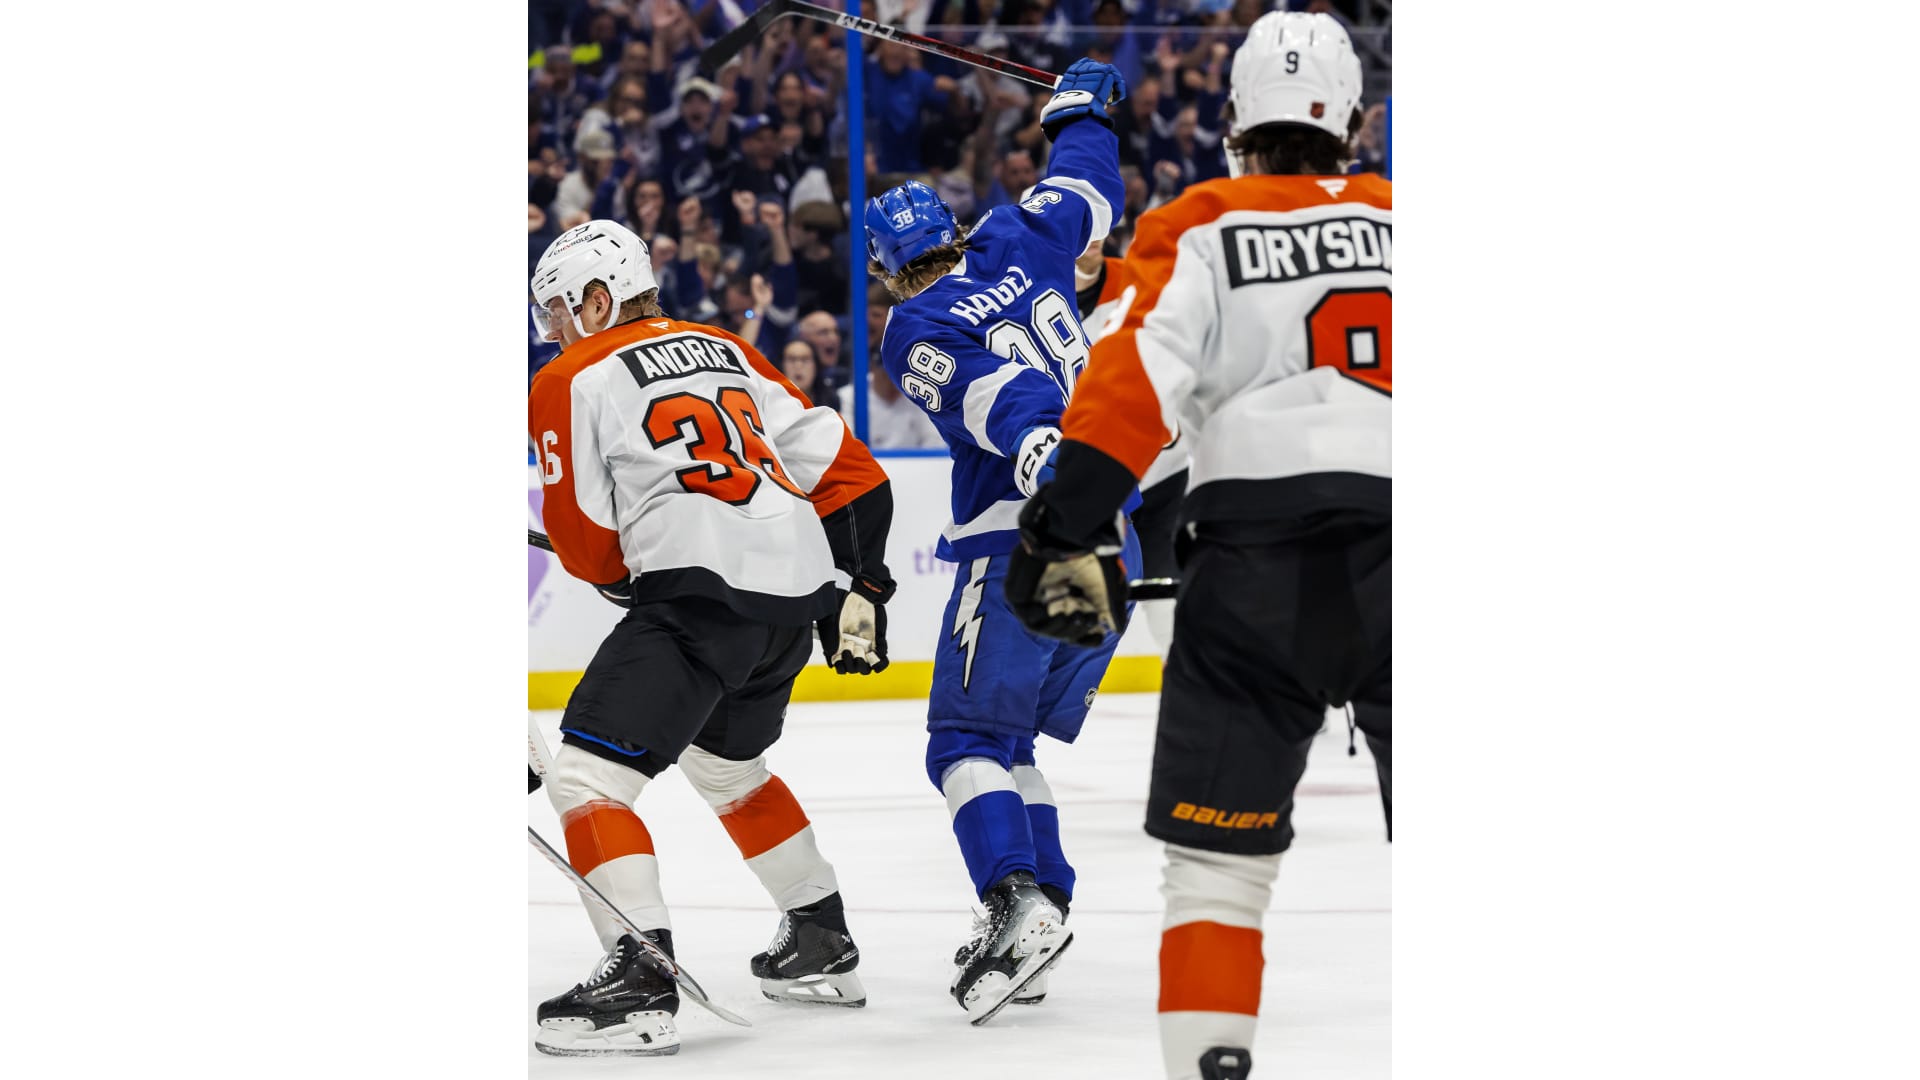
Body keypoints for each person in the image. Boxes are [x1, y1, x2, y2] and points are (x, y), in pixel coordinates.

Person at [1002, 15, 1390, 1080]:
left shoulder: (1201, 223)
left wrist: (1060, 530)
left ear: (1233, 122)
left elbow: (1128, 390)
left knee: (1217, 872)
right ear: (1355, 124)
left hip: (1255, 569)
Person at [527, 220, 898, 1056]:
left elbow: (587, 540)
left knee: (586, 777)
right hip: (790, 602)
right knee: (729, 769)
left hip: (697, 599)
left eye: (557, 308)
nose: (551, 328)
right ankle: (820, 935)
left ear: (596, 300)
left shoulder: (570, 375)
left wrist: (620, 575)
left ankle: (639, 975)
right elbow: (850, 472)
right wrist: (864, 585)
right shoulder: (728, 347)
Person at [863, 57, 1133, 1024]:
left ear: (883, 268)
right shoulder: (1021, 231)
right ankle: (1042, 912)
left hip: (1025, 539)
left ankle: (1015, 905)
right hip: (1113, 537)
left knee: (965, 740)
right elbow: (1090, 183)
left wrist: (1039, 452)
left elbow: (995, 394)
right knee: (1010, 738)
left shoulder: (914, 325)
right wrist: (1079, 110)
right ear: (951, 231)